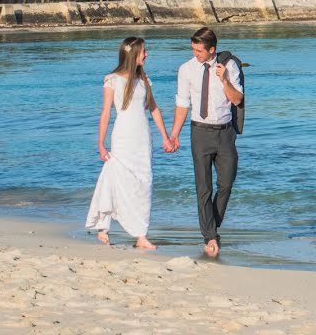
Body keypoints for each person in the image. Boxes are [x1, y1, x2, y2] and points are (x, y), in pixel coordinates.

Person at [85, 37, 170, 249]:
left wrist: (165, 137)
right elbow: (106, 112)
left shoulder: (144, 80)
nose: (147, 54)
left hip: (143, 139)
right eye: (144, 51)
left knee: (144, 182)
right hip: (122, 137)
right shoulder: (112, 80)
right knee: (116, 177)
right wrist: (101, 144)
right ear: (133, 54)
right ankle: (103, 225)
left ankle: (141, 235)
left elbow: (154, 110)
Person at [169, 27, 243, 257]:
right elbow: (182, 104)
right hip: (199, 132)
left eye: (199, 50)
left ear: (212, 50)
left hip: (225, 133)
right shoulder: (186, 69)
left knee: (226, 184)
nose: (195, 54)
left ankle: (212, 225)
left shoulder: (230, 67)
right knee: (203, 187)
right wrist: (174, 134)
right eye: (193, 49)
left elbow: (237, 99)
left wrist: (225, 80)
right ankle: (210, 236)